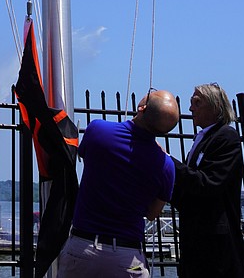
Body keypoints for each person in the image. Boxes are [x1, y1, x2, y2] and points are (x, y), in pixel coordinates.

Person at [57, 89, 179, 278]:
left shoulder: (98, 130)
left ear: (141, 108)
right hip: (126, 256)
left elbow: (85, 156)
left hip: (83, 246)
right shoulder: (166, 166)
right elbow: (153, 214)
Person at [171, 83, 244, 278]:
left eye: (197, 103)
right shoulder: (203, 138)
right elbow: (191, 189)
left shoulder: (225, 136)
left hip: (215, 246)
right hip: (195, 241)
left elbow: (209, 184)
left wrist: (167, 162)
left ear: (215, 106)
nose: (191, 109)